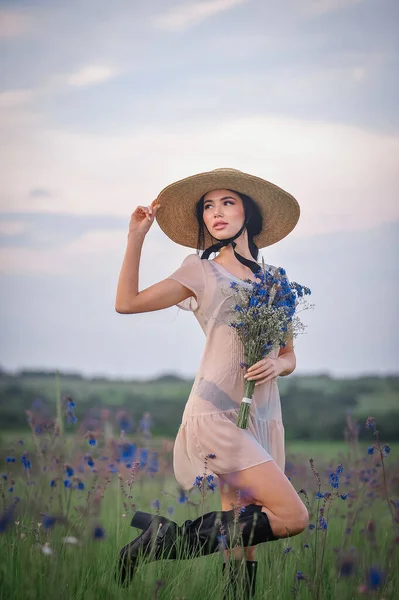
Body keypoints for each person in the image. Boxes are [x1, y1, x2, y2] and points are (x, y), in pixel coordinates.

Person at [115, 168, 309, 595]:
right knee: (293, 518)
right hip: (215, 412)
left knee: (242, 531)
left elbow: (288, 354)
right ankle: (163, 540)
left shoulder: (275, 280)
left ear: (249, 213)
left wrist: (278, 366)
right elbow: (126, 303)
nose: (215, 213)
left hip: (256, 416)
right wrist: (136, 236)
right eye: (208, 206)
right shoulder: (200, 272)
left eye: (227, 203)